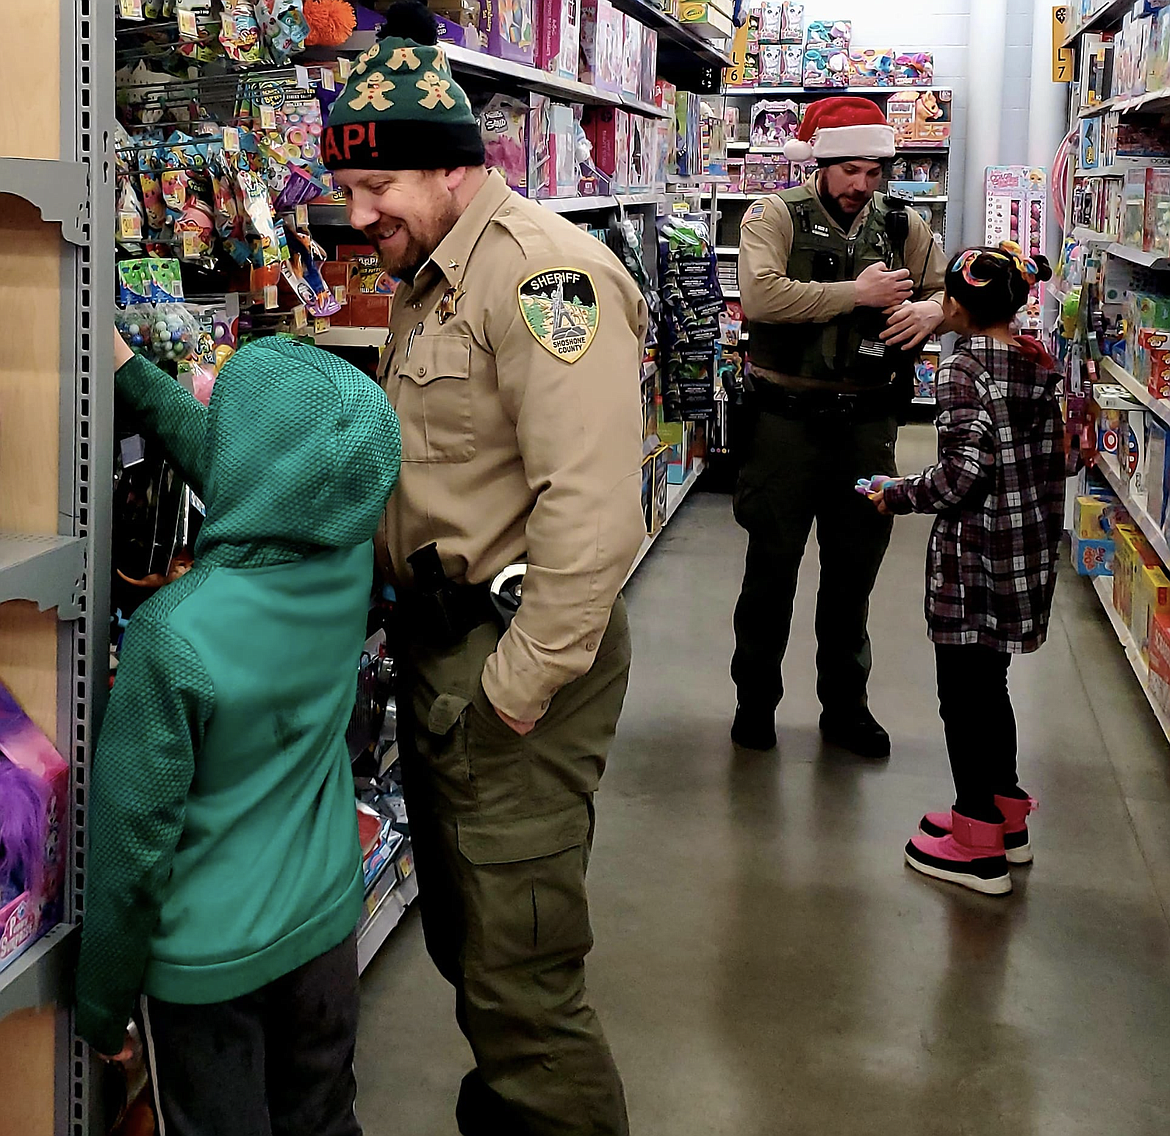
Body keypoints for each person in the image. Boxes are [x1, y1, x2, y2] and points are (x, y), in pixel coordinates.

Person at [322, 5, 646, 1134]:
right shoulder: (429, 280)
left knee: (524, 980)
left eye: (378, 193)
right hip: (444, 652)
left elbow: (596, 516)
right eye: (348, 193)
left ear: (455, 168)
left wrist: (515, 690)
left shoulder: (545, 278)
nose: (358, 219)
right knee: (474, 942)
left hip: (512, 674)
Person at [75, 332, 400, 1134]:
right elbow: (240, 466)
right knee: (325, 1118)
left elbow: (131, 849)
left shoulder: (172, 637)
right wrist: (127, 366)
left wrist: (101, 1003)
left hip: (208, 969)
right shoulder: (347, 556)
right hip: (325, 929)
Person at [732, 96, 948, 756]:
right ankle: (755, 703)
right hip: (784, 423)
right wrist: (857, 295)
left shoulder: (905, 223)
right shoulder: (774, 216)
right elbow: (761, 293)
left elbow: (951, 288)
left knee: (853, 575)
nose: (861, 185)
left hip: (866, 423)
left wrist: (934, 312)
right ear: (821, 164)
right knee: (770, 570)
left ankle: (846, 706)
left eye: (874, 171)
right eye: (849, 170)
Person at [864, 242, 1066, 896]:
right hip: (1024, 555)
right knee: (992, 687)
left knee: (962, 697)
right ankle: (1007, 816)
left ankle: (976, 842)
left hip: (976, 561)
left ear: (954, 306)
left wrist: (894, 492)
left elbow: (960, 480)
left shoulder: (963, 370)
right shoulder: (1035, 361)